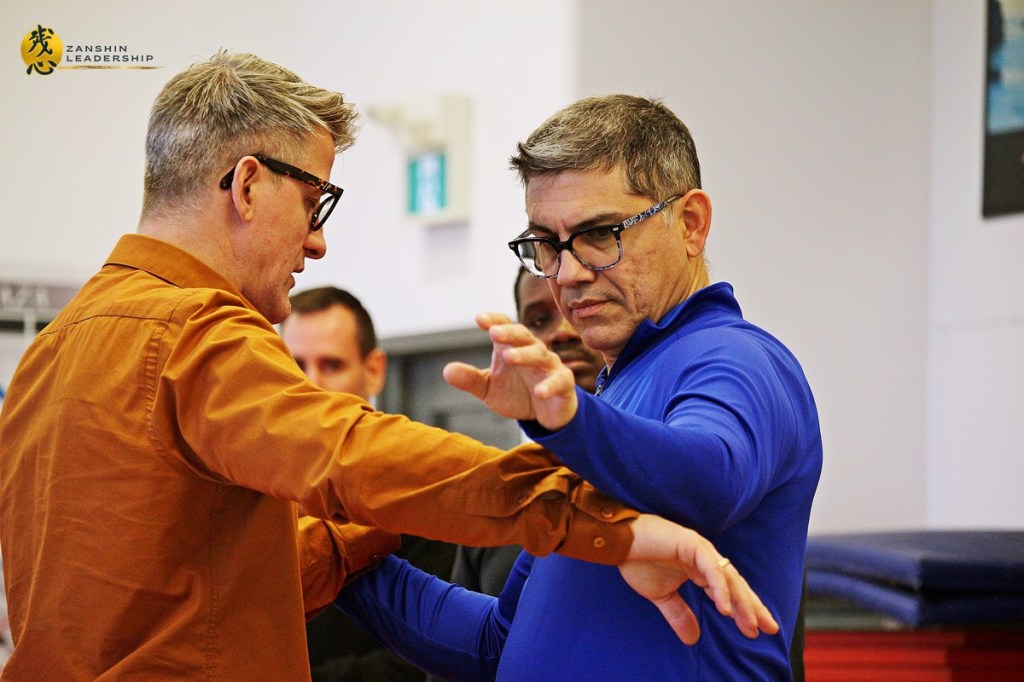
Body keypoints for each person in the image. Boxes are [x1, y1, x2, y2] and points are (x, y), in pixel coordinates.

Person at [0, 53, 776, 679]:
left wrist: (369, 534)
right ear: (248, 184)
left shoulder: (51, 353)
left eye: (597, 235)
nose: (317, 242)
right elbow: (355, 456)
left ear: (693, 224)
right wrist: (599, 516)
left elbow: (200, 582)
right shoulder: (192, 332)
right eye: (316, 203)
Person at [337, 94, 820, 680]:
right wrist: (331, 553)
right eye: (547, 244)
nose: (567, 273)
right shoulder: (613, 399)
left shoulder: (736, 357)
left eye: (599, 234)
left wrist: (569, 422)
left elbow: (710, 479)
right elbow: (496, 643)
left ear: (690, 223)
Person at [281, 286, 455, 681]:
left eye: (331, 365)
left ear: (374, 370)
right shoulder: (262, 490)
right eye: (295, 365)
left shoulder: (418, 486)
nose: (311, 385)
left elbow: (435, 657)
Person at [448, 267, 603, 596]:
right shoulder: (495, 501)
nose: (562, 333)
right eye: (539, 320)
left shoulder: (655, 476)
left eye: (581, 310)